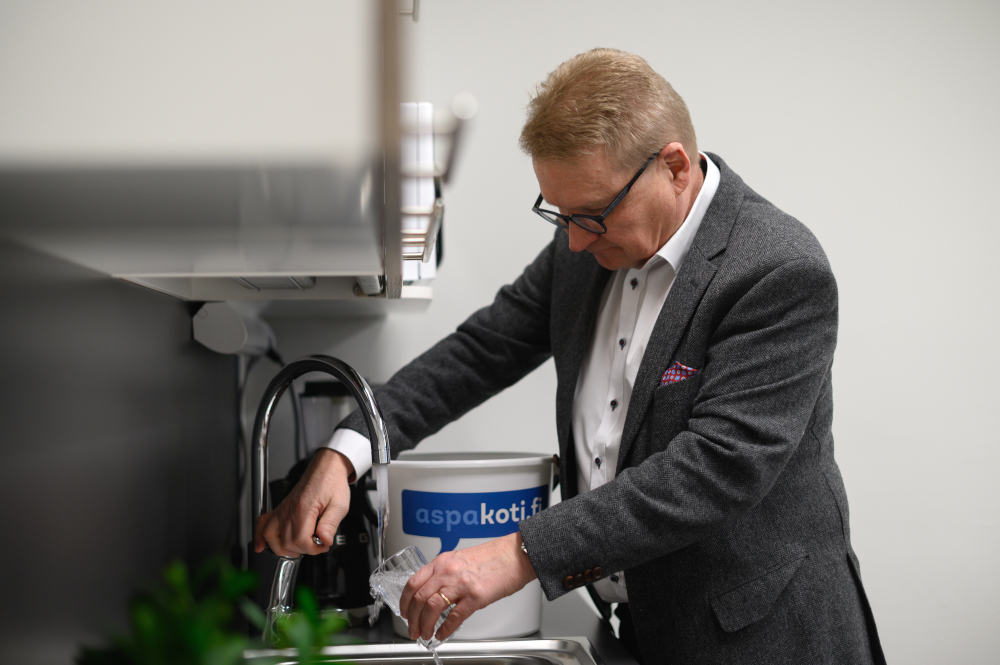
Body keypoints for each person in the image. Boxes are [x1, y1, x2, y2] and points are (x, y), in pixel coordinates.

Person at [254, 48, 885, 664]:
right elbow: (478, 353)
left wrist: (518, 553)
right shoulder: (584, 251)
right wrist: (348, 449)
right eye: (558, 213)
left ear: (674, 167)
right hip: (639, 625)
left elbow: (716, 469)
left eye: (592, 214)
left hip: (761, 637)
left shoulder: (776, 269)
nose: (576, 240)